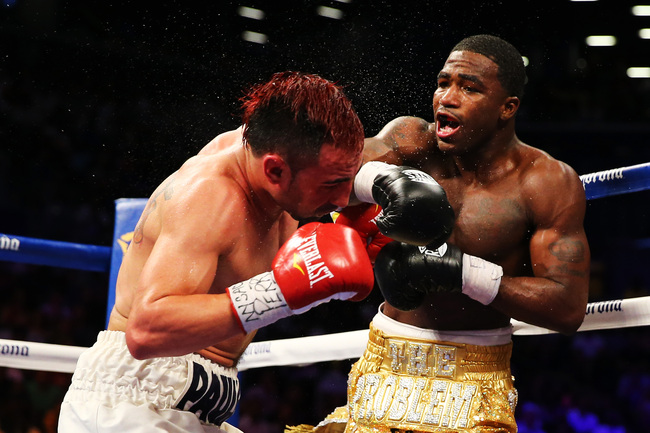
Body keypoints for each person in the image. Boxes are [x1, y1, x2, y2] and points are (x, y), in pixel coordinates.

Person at [58, 71, 454, 433]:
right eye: (332, 185)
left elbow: (387, 146)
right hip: (129, 409)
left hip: (202, 409)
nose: (340, 199)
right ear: (275, 170)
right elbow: (145, 332)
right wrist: (280, 293)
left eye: (347, 181)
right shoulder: (212, 196)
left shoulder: (287, 153)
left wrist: (374, 182)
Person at [296, 34, 591, 433]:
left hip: (475, 377)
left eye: (469, 88)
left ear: (508, 108)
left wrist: (460, 272)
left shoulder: (545, 182)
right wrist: (381, 182)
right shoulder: (412, 141)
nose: (447, 98)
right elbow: (320, 177)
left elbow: (568, 306)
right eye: (443, 82)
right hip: (385, 361)